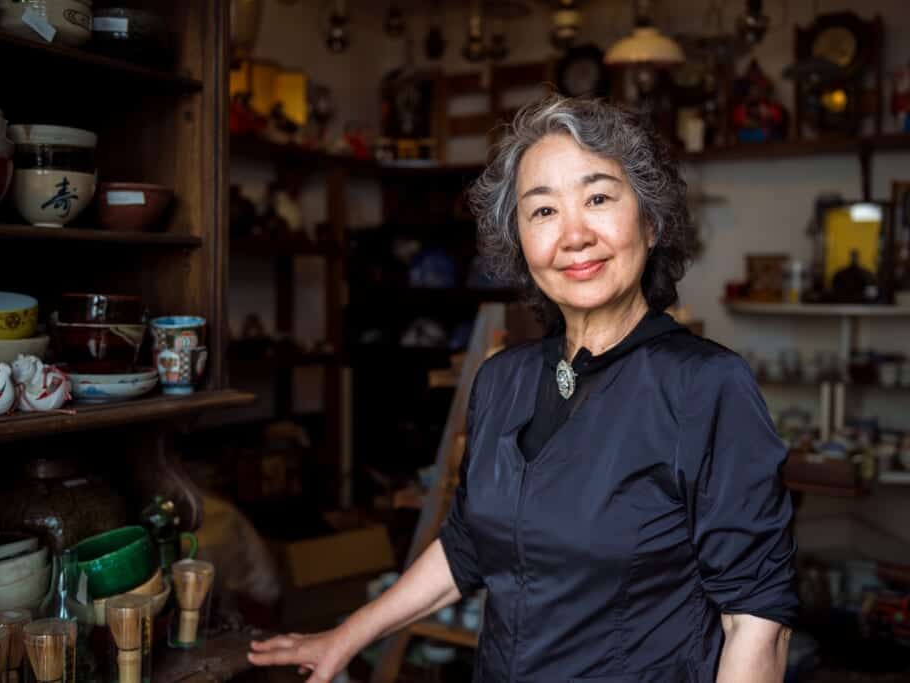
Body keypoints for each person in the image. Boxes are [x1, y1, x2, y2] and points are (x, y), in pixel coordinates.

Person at [249, 95, 798, 682]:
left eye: (598, 198)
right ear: (519, 243)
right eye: (543, 212)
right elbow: (467, 547)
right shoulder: (502, 381)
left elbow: (757, 621)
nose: (574, 235)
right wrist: (344, 637)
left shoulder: (706, 387)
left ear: (651, 220)